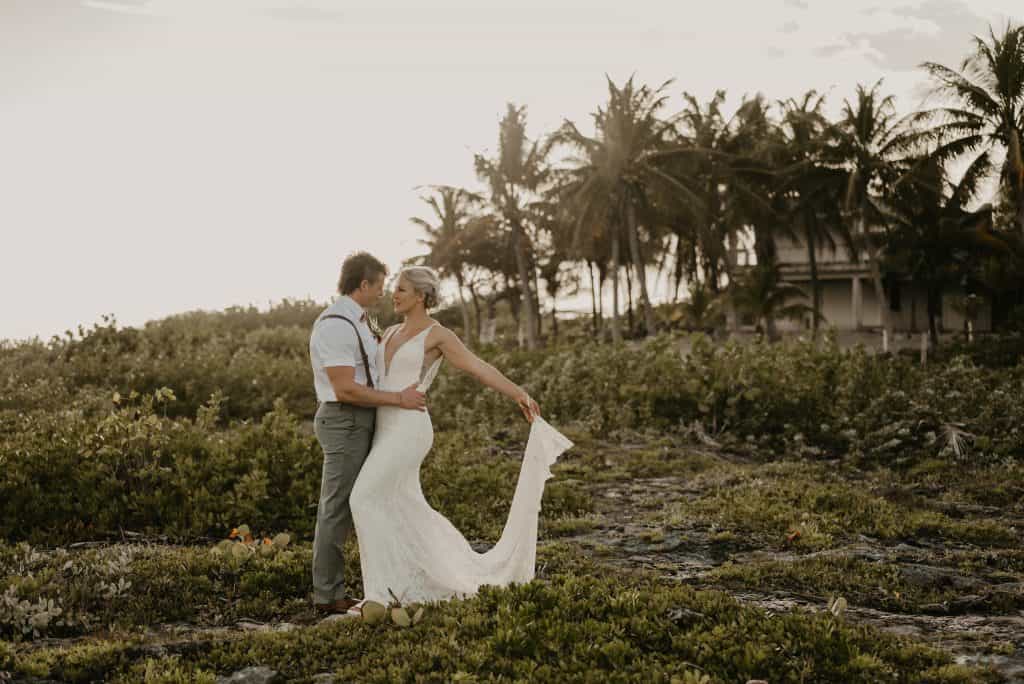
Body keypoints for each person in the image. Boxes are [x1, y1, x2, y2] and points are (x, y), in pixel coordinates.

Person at [349, 265, 573, 610]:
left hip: (410, 430)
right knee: (403, 505)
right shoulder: (390, 330)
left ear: (422, 296)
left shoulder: (438, 335)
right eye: (395, 289)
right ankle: (402, 586)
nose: (394, 295)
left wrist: (519, 394)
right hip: (384, 426)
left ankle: (380, 593)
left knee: (363, 497)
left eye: (402, 290)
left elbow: (478, 367)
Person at [308, 252, 427, 615]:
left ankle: (378, 580)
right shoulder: (335, 325)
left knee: (365, 501)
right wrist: (399, 399)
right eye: (378, 286)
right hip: (344, 419)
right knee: (337, 508)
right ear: (363, 284)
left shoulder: (360, 321)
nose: (382, 294)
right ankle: (328, 597)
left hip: (363, 420)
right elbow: (345, 388)